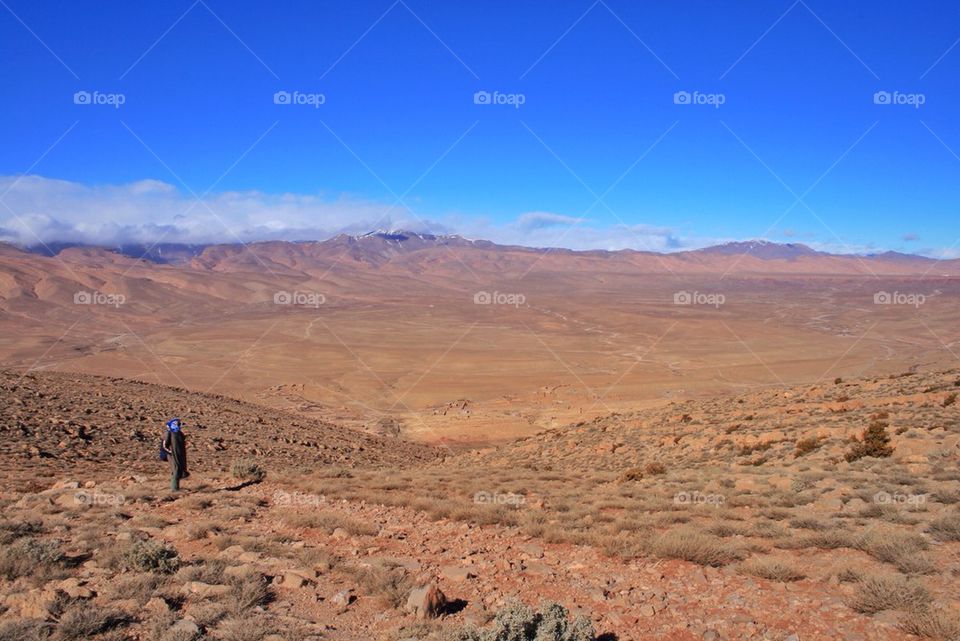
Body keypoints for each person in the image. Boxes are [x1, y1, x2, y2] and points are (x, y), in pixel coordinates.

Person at [162, 418, 189, 491]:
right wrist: (170, 452)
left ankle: (177, 487)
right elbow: (164, 445)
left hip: (180, 455)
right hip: (172, 455)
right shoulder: (168, 433)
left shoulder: (179, 433)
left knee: (180, 470)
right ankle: (174, 489)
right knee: (175, 470)